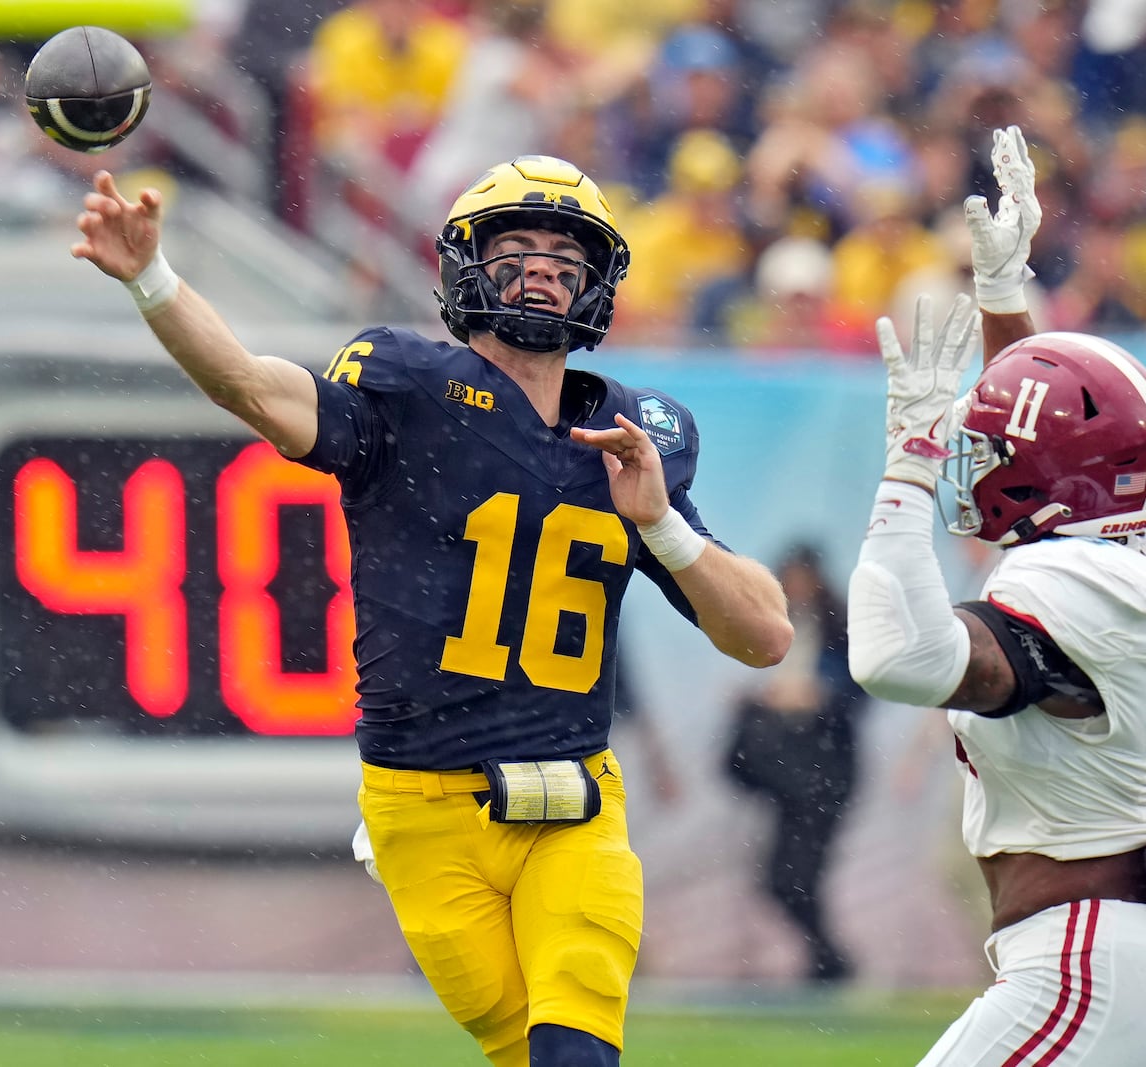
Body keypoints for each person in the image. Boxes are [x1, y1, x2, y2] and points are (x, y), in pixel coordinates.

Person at [70, 153, 793, 1067]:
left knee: (577, 1052)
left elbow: (765, 634)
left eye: (567, 258)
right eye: (517, 248)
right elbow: (250, 385)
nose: (542, 269)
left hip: (574, 801)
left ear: (597, 287)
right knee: (520, 1051)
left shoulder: (632, 436)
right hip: (421, 806)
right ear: (465, 267)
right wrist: (153, 279)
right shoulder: (406, 390)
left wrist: (662, 526)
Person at [846, 126, 1146, 1065]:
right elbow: (1068, 426)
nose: (974, 465)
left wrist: (907, 469)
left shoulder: (1073, 581)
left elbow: (898, 657)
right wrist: (1004, 300)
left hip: (1089, 970)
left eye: (988, 454)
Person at [723, 542, 868, 982]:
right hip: (790, 771)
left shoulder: (839, 628)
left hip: (823, 771)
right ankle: (827, 960)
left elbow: (855, 692)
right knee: (785, 877)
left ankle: (831, 960)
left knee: (795, 877)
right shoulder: (781, 622)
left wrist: (815, 697)